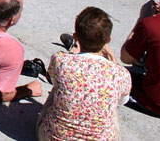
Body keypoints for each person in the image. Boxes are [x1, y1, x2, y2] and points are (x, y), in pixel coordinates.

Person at [37, 7, 131, 140]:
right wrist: (113, 61)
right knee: (111, 103)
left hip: (53, 137)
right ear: (108, 40)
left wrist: (72, 56)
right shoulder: (121, 74)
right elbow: (121, 101)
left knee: (59, 84)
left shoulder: (61, 60)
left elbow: (53, 81)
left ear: (75, 37)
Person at [120, 0, 160, 118]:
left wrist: (142, 19)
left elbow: (126, 57)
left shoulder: (151, 25)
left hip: (154, 102)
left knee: (111, 73)